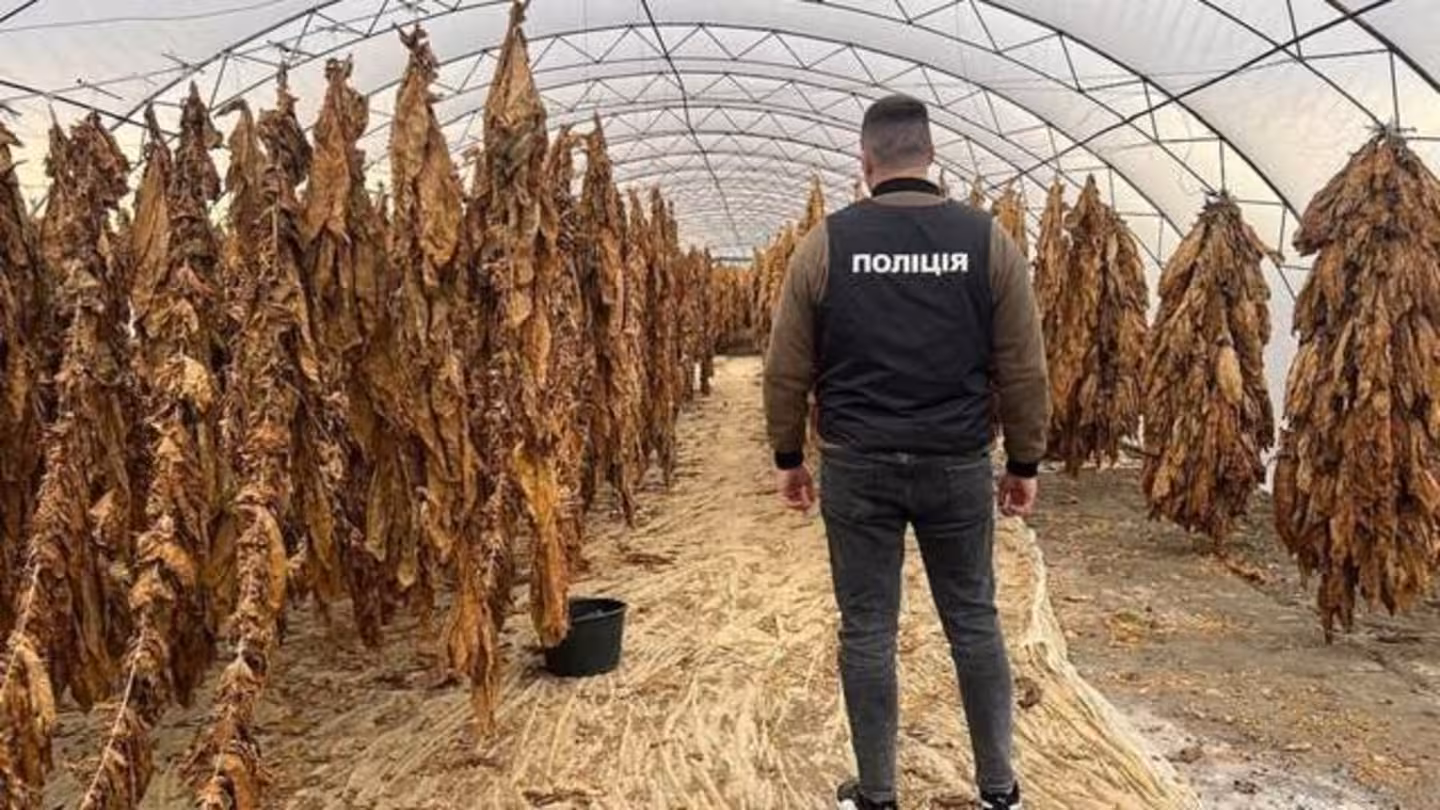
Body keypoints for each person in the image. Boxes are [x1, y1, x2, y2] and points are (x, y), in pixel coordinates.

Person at [762, 94, 1049, 810]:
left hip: (858, 465)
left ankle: (879, 794)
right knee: (974, 622)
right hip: (956, 463)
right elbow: (1024, 367)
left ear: (865, 162)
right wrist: (1024, 464)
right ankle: (998, 791)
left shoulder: (827, 243)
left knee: (867, 630)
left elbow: (786, 367)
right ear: (931, 155)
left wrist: (789, 456)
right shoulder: (986, 241)